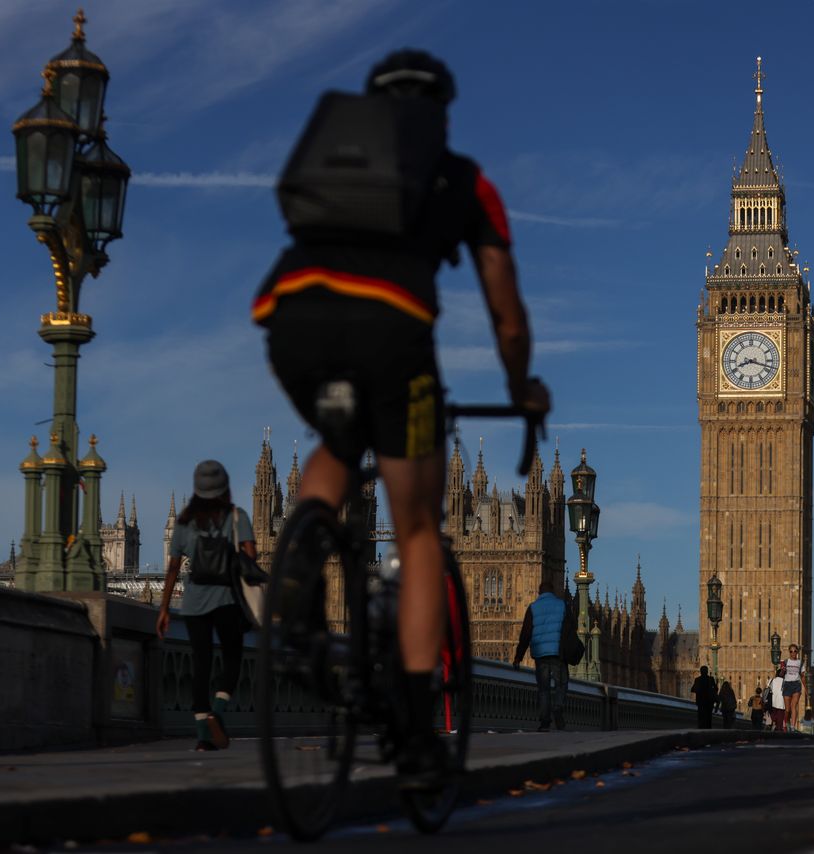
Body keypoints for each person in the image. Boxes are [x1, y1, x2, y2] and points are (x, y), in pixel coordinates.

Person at [254, 50, 550, 783]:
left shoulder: (337, 156)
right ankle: (417, 725)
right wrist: (523, 386)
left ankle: (295, 578)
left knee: (336, 440)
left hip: (288, 315)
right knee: (419, 530)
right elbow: (506, 314)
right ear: (443, 110)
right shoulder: (464, 178)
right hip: (391, 328)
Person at [156, 460, 256, 752]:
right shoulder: (237, 517)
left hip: (193, 603)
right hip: (227, 599)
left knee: (200, 665)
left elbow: (173, 569)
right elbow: (251, 555)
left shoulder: (184, 523)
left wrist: (164, 609)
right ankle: (218, 712)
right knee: (233, 658)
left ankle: (202, 737)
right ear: (225, 487)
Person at [512, 580, 571, 731]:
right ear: (553, 592)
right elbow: (572, 627)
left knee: (543, 689)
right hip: (558, 652)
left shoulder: (533, 607)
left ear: (539, 593)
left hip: (540, 654)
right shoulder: (562, 605)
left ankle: (545, 723)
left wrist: (518, 656)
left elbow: (525, 634)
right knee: (561, 684)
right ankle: (558, 706)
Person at [781, 643, 805, 734]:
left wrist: (805, 688)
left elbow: (802, 676)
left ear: (797, 652)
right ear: (789, 652)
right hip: (787, 685)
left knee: (793, 706)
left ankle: (792, 727)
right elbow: (781, 674)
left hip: (796, 685)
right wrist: (782, 670)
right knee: (787, 709)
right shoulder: (785, 662)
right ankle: (785, 723)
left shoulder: (800, 662)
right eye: (791, 651)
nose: (793, 653)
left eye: (795, 651)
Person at [768, 667, 786, 732]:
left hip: (772, 702)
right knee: (780, 718)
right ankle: (778, 729)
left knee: (773, 715)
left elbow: (768, 688)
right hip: (781, 703)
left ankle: (773, 724)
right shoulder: (785, 682)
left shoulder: (772, 680)